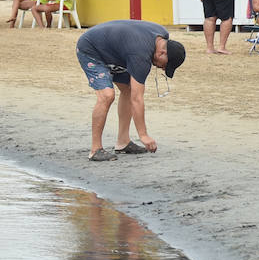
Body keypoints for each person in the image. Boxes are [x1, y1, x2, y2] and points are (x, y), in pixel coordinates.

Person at [76, 19, 187, 161]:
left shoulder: (162, 36)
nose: (162, 68)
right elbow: (137, 98)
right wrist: (143, 135)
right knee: (107, 95)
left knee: (127, 89)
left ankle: (123, 142)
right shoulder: (141, 54)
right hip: (91, 48)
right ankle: (95, 149)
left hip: (117, 52)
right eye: (165, 65)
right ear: (161, 53)